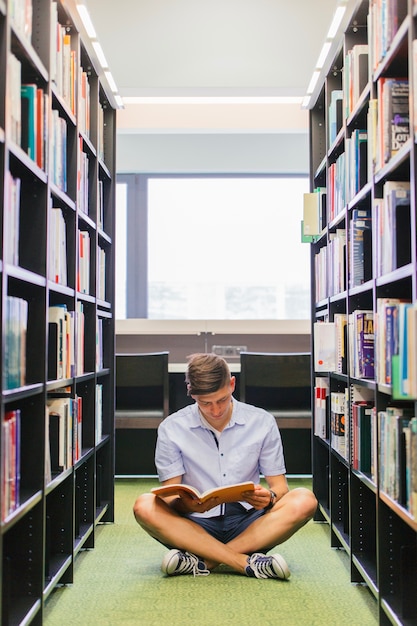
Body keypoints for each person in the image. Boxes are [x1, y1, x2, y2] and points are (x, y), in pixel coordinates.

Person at [133, 352, 317, 579]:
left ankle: (203, 561)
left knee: (304, 500)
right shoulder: (171, 428)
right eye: (205, 403)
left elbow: (280, 489)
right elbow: (170, 498)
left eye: (222, 400)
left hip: (250, 523)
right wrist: (189, 506)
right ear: (192, 394)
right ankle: (245, 562)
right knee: (144, 505)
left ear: (232, 384)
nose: (216, 410)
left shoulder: (262, 422)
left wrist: (268, 498)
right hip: (194, 526)